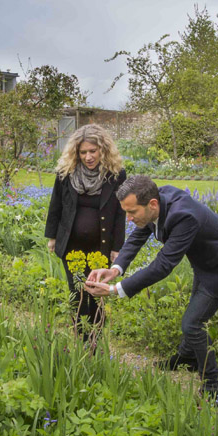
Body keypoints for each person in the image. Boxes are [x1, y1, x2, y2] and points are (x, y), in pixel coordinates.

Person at [85, 175, 218, 404]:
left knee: (193, 324)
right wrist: (115, 270)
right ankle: (186, 358)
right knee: (195, 317)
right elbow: (138, 236)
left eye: (132, 212)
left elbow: (163, 266)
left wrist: (115, 290)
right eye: (126, 212)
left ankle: (211, 384)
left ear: (152, 204)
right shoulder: (157, 199)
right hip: (205, 262)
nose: (128, 218)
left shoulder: (184, 216)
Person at [44, 124, 127, 340]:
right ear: (76, 153)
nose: (88, 157)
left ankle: (95, 340)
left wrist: (117, 248)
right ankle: (80, 337)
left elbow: (120, 213)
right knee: (77, 290)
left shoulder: (116, 175)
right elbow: (56, 206)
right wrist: (52, 237)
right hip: (72, 244)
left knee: (96, 291)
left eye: (93, 151)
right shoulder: (66, 173)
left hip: (101, 246)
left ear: (103, 150)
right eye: (83, 152)